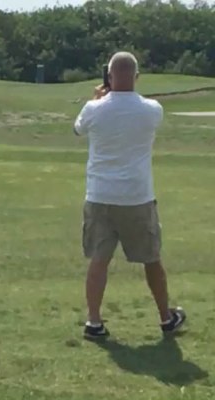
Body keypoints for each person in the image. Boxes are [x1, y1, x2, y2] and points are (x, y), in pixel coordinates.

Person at [72, 51, 186, 340]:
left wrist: (98, 100)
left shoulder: (93, 108)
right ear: (136, 77)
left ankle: (94, 322)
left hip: (99, 195)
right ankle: (165, 318)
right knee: (151, 258)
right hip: (137, 196)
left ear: (109, 76)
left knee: (99, 259)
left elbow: (77, 129)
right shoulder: (152, 109)